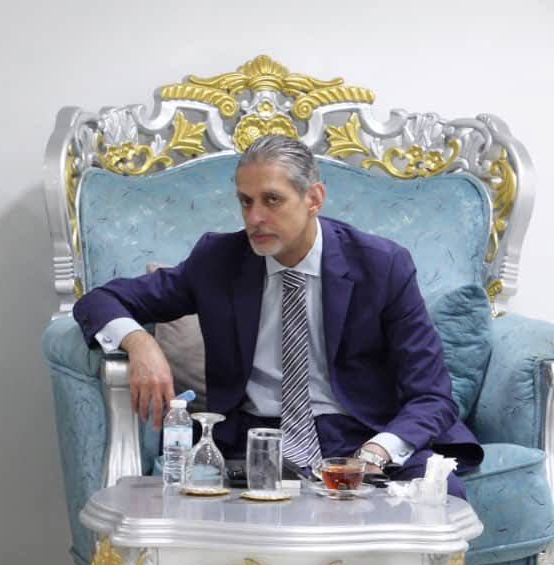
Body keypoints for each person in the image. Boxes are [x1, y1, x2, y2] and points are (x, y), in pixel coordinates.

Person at [72, 135, 482, 499]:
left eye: (272, 200)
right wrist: (140, 343)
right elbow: (101, 301)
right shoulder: (219, 260)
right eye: (245, 202)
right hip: (253, 440)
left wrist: (377, 452)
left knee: (443, 497)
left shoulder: (381, 265)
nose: (254, 218)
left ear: (314, 198)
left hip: (361, 433)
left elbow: (431, 394)